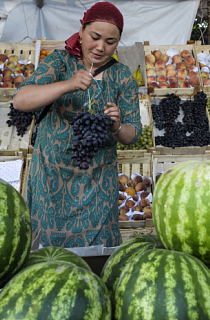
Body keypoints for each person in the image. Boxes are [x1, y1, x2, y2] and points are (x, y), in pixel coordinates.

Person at [13, 2, 142, 248]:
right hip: (50, 179)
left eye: (111, 42)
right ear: (81, 32)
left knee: (94, 257)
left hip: (97, 184)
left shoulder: (122, 76)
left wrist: (116, 126)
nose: (101, 47)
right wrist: (68, 84)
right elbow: (20, 100)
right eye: (95, 37)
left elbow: (133, 133)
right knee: (47, 256)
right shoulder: (60, 61)